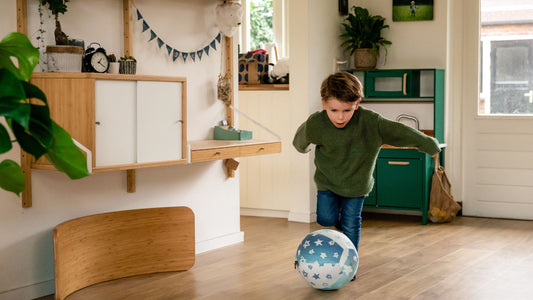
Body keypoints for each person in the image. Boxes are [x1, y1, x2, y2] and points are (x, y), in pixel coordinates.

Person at [293, 71, 440, 256]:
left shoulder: (371, 122)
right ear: (324, 104)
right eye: (334, 110)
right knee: (325, 218)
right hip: (327, 182)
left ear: (357, 104)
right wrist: (302, 147)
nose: (340, 117)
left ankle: (350, 263)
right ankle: (340, 222)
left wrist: (429, 144)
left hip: (357, 185)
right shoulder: (317, 122)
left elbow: (401, 132)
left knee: (352, 223)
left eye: (347, 110)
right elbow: (301, 138)